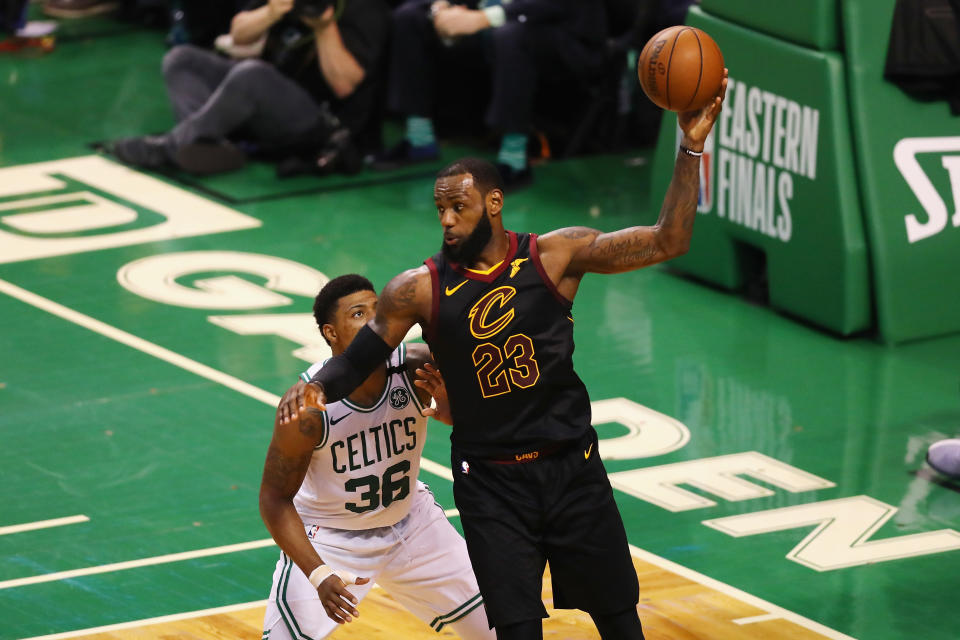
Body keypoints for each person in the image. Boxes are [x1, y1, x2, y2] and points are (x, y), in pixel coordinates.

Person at [277, 74, 727, 639]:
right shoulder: (416, 290)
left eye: (458, 207)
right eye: (439, 209)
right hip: (490, 485)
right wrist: (314, 387)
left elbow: (668, 240)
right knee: (511, 632)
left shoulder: (556, 255)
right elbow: (356, 361)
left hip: (573, 468)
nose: (446, 220)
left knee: (618, 619)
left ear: (493, 202)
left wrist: (690, 146)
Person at [260, 274, 495, 640]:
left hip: (411, 523)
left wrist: (451, 408)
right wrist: (319, 574)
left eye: (378, 310)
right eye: (358, 314)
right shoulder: (308, 409)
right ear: (330, 333)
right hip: (331, 537)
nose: (374, 322)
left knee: (504, 624)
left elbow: (472, 420)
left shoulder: (418, 365)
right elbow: (274, 501)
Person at [108, 0, 390, 176]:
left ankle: (171, 147)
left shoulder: (365, 6)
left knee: (252, 74)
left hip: (321, 122)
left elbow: (345, 85)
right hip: (267, 99)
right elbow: (239, 35)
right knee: (182, 59)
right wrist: (271, 11)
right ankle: (207, 144)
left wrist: (324, 28)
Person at [371, 0, 608, 189]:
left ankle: (514, 159)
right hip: (494, 24)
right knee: (411, 16)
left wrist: (484, 18)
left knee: (511, 35)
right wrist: (442, 8)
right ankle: (419, 138)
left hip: (561, 34)